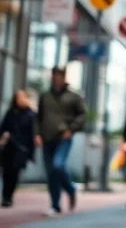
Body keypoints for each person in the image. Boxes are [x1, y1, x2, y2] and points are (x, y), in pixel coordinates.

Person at [35, 66, 86, 217]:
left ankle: (70, 189)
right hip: (47, 137)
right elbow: (38, 117)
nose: (57, 78)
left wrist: (72, 129)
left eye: (60, 75)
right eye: (54, 75)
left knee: (58, 165)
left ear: (64, 77)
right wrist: (37, 134)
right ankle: (55, 206)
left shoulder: (74, 96)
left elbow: (82, 115)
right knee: (51, 172)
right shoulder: (45, 96)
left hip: (64, 137)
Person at [1, 89, 37, 207]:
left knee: (15, 173)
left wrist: (31, 152)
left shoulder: (31, 114)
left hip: (21, 149)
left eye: (22, 97)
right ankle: (5, 196)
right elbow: (3, 127)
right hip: (8, 148)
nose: (19, 100)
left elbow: (33, 134)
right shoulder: (11, 112)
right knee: (6, 172)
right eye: (17, 97)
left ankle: (9, 196)